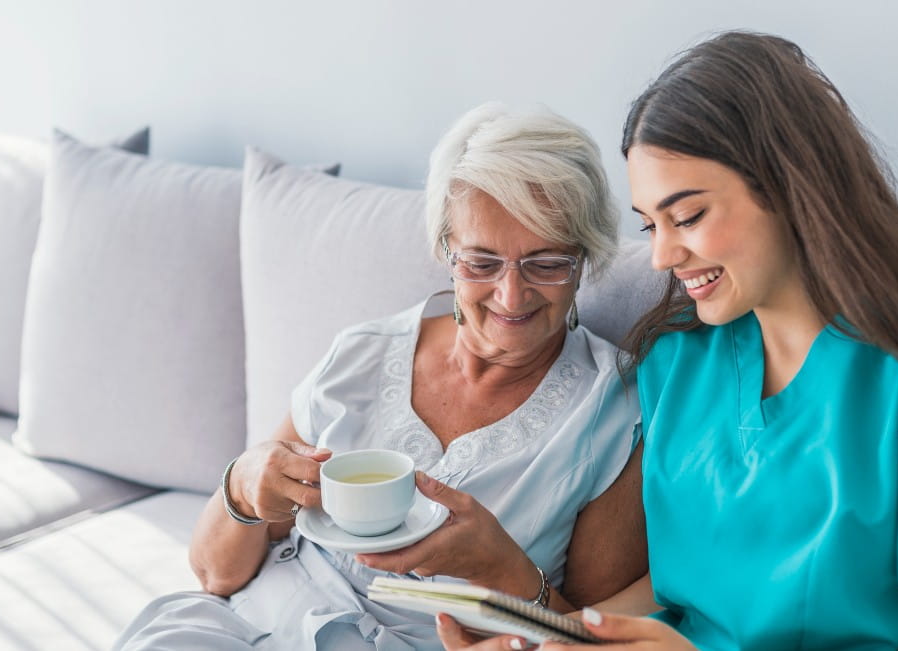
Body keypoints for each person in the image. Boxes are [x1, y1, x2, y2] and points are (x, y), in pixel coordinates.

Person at [440, 31, 898, 651]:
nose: (662, 255)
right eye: (650, 225)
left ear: (793, 186)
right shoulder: (676, 363)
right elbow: (673, 587)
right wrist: (550, 636)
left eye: (687, 217)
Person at [113, 102, 648, 650]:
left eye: (546, 262)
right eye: (481, 263)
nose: (511, 295)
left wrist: (503, 570)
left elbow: (593, 643)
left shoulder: (614, 411)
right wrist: (243, 485)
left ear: (583, 258)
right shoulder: (363, 354)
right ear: (446, 252)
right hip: (256, 624)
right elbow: (213, 577)